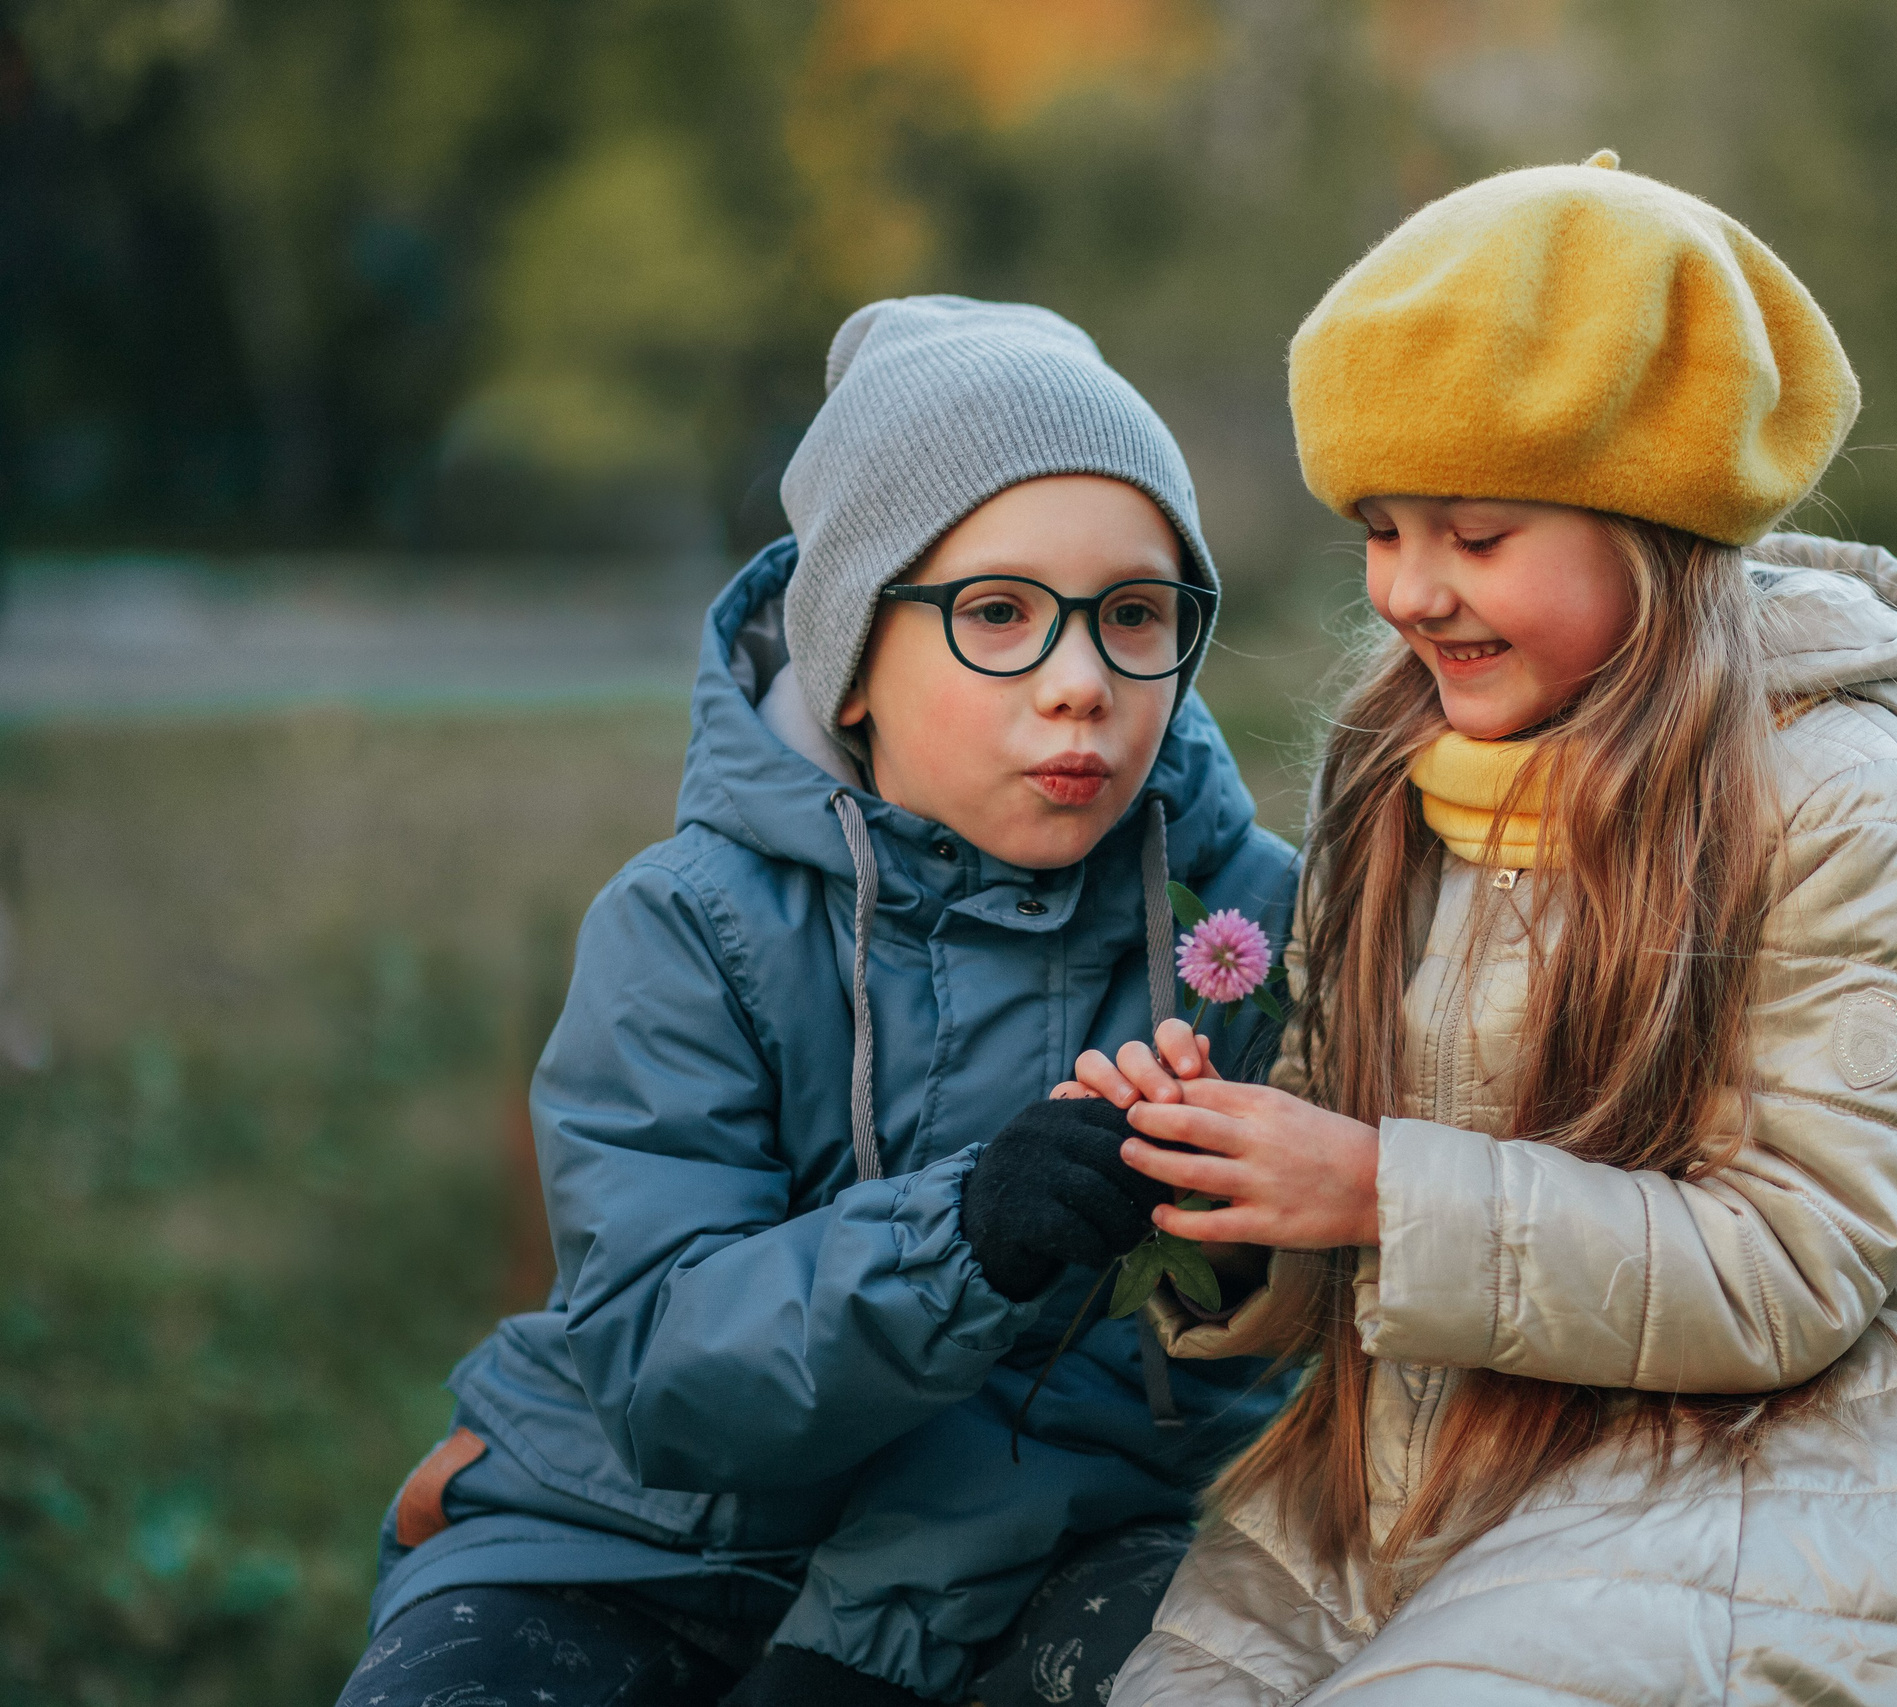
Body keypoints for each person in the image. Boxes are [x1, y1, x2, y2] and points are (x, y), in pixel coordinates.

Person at [1066, 155, 1897, 1703]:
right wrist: (1228, 1200)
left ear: (1648, 518)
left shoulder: (1852, 810)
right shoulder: (1400, 775)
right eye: (1380, 529)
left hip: (1773, 1476)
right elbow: (1353, 1209)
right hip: (1408, 1486)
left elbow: (1791, 1267)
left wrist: (1380, 1190)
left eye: (1472, 532)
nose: (1406, 590)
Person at [336, 297, 1297, 1707]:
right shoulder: (689, 925)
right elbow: (660, 1367)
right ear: (853, 660)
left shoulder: (1239, 932)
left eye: (1136, 614)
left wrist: (859, 1650)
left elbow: (1185, 1396)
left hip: (1031, 1557)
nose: (1082, 684)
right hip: (630, 1536)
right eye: (998, 614)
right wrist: (965, 1237)